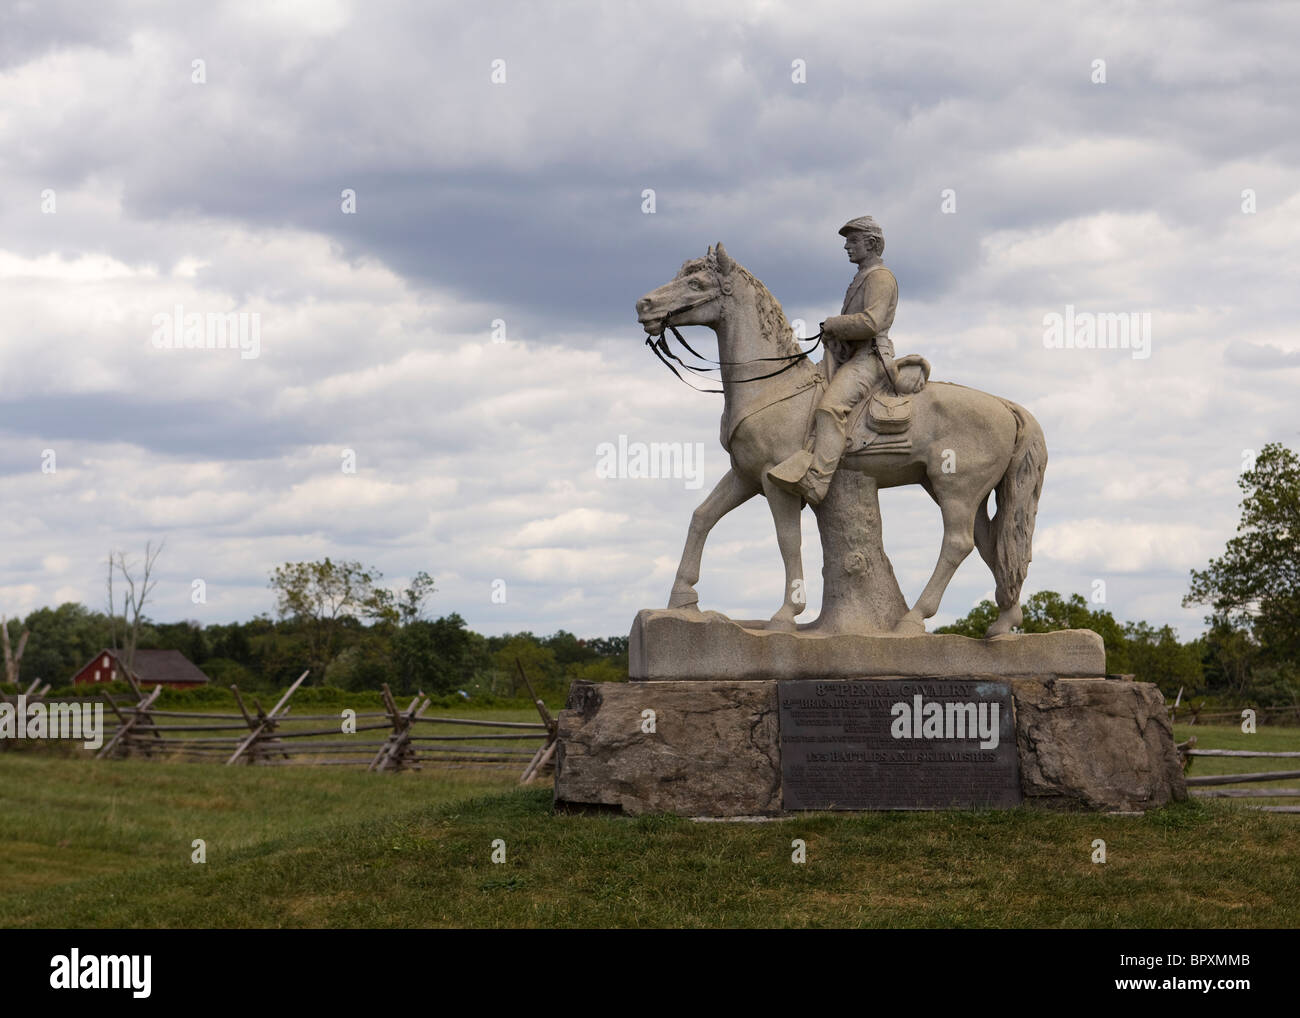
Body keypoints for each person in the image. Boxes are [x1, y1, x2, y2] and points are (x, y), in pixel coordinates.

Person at [768, 215, 899, 506]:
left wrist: (835, 324)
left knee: (830, 408)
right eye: (846, 241)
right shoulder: (863, 276)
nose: (847, 247)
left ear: (872, 243)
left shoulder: (880, 277)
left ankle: (817, 480)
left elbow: (871, 322)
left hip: (869, 358)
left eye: (853, 241)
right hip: (848, 356)